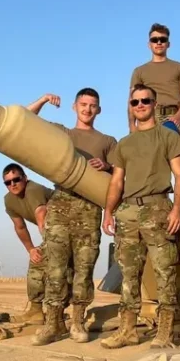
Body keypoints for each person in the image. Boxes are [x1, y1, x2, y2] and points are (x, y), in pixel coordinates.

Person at [26, 88, 118, 345]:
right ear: (75, 107)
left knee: (84, 268)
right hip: (61, 204)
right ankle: (53, 323)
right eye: (84, 104)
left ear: (98, 110)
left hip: (89, 208)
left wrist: (107, 166)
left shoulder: (108, 141)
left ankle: (77, 321)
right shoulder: (64, 133)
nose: (88, 109)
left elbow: (120, 176)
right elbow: (27, 120)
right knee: (54, 268)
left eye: (93, 105)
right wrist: (43, 99)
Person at [101, 83, 180, 349]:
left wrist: (177, 208)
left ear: (154, 104)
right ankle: (128, 330)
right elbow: (116, 181)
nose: (140, 106)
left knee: (164, 271)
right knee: (129, 274)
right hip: (127, 211)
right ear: (131, 106)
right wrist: (108, 211)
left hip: (157, 206)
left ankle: (165, 332)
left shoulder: (168, 137)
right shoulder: (124, 144)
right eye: (135, 102)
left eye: (145, 101)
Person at [129, 23, 180, 189]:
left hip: (174, 116)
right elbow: (132, 100)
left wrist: (177, 117)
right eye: (155, 39)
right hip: (149, 117)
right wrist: (132, 126)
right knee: (144, 158)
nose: (159, 42)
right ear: (149, 44)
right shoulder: (139, 71)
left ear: (168, 43)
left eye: (162, 39)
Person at [1, 163, 56, 325]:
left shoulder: (33, 190)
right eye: (8, 182)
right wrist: (31, 249)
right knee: (37, 260)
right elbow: (20, 226)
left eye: (16, 179)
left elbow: (41, 212)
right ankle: (36, 311)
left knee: (58, 266)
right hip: (52, 230)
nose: (13, 185)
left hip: (69, 223)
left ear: (25, 178)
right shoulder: (9, 200)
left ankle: (56, 312)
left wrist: (47, 243)